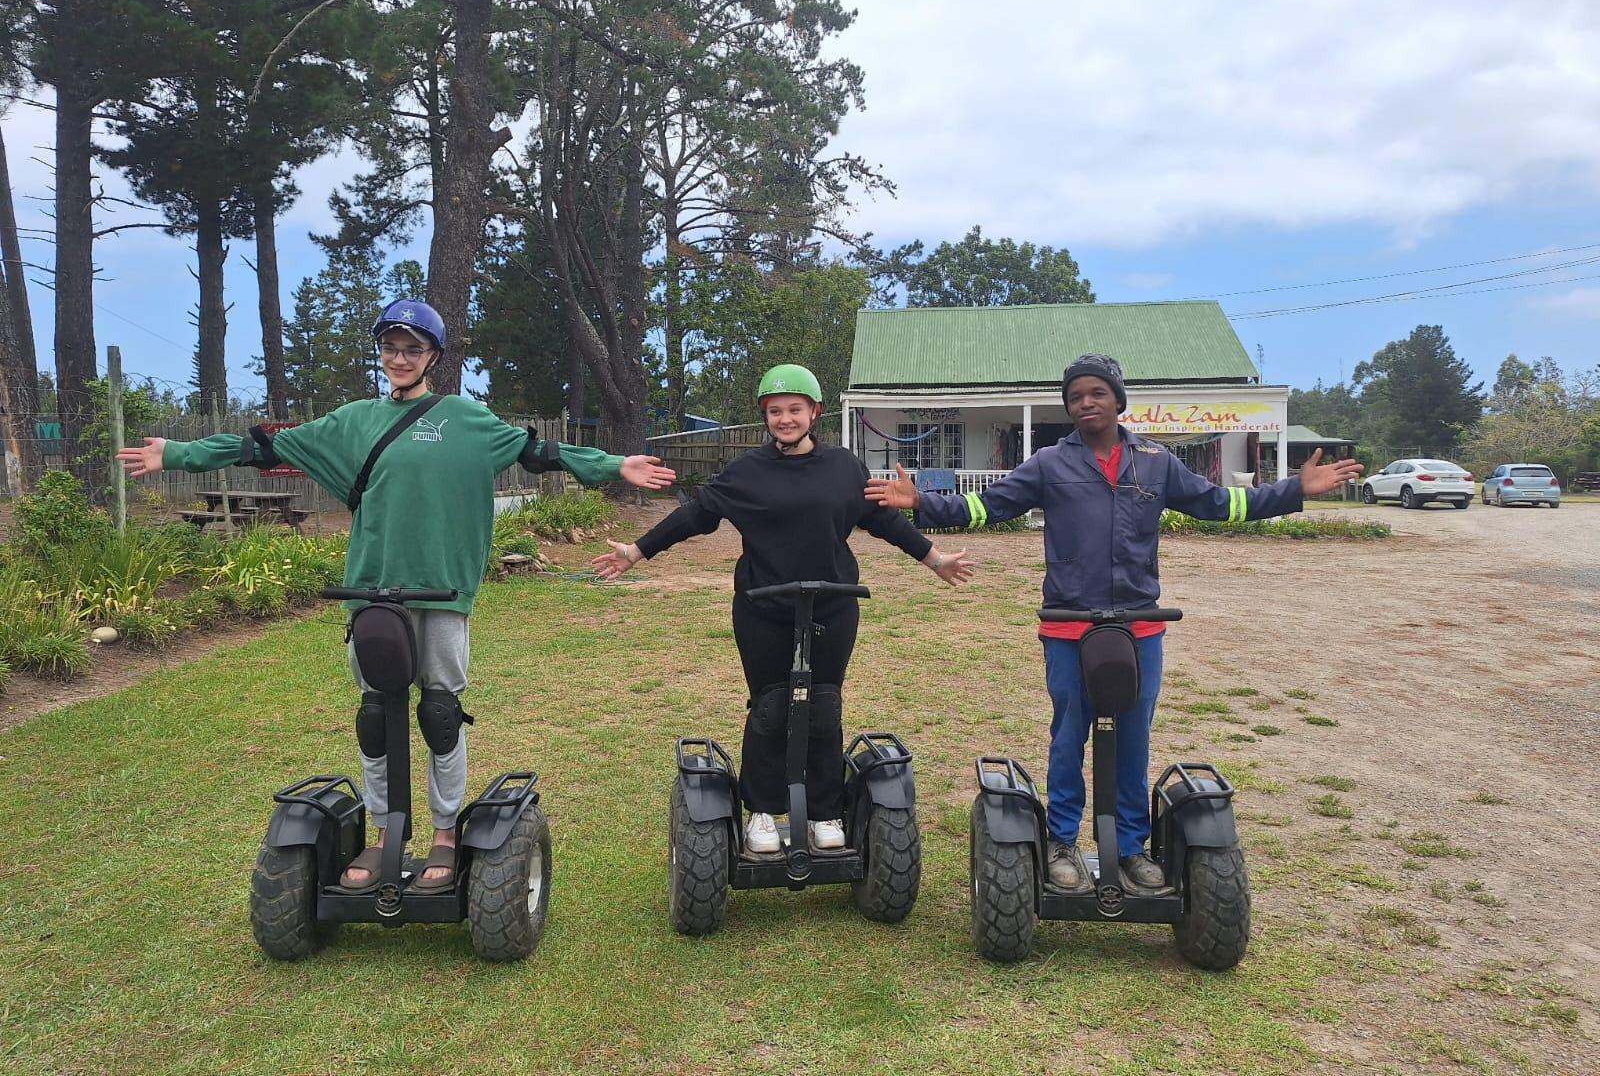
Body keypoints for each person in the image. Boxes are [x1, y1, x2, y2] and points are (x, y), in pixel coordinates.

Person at [116, 299, 676, 891]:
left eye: (413, 349)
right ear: (381, 353)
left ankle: (443, 832)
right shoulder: (351, 423)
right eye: (391, 348)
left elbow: (542, 454)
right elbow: (264, 446)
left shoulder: (466, 419)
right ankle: (386, 834)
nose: (400, 359)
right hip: (372, 594)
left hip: (441, 591)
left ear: (433, 355)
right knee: (377, 718)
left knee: (440, 712)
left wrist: (615, 465)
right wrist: (176, 453)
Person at [866, 353, 1361, 892]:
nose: (1086, 403)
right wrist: (924, 502)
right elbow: (989, 506)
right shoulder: (1050, 463)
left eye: (1097, 393)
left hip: (1139, 626)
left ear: (1118, 400)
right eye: (1076, 396)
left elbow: (1220, 504)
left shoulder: (1154, 461)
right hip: (1068, 624)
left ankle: (1130, 848)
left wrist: (1294, 490)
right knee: (1069, 734)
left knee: (1132, 736)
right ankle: (1061, 842)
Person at [591, 364, 975, 854]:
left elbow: (882, 520)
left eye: (795, 409)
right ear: (765, 417)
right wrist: (635, 552)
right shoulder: (746, 472)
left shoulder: (843, 468)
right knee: (771, 708)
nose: (785, 419)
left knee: (823, 706)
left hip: (833, 604)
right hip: (763, 606)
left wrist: (934, 558)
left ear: (814, 413)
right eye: (775, 411)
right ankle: (763, 812)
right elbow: (695, 516)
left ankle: (825, 811)